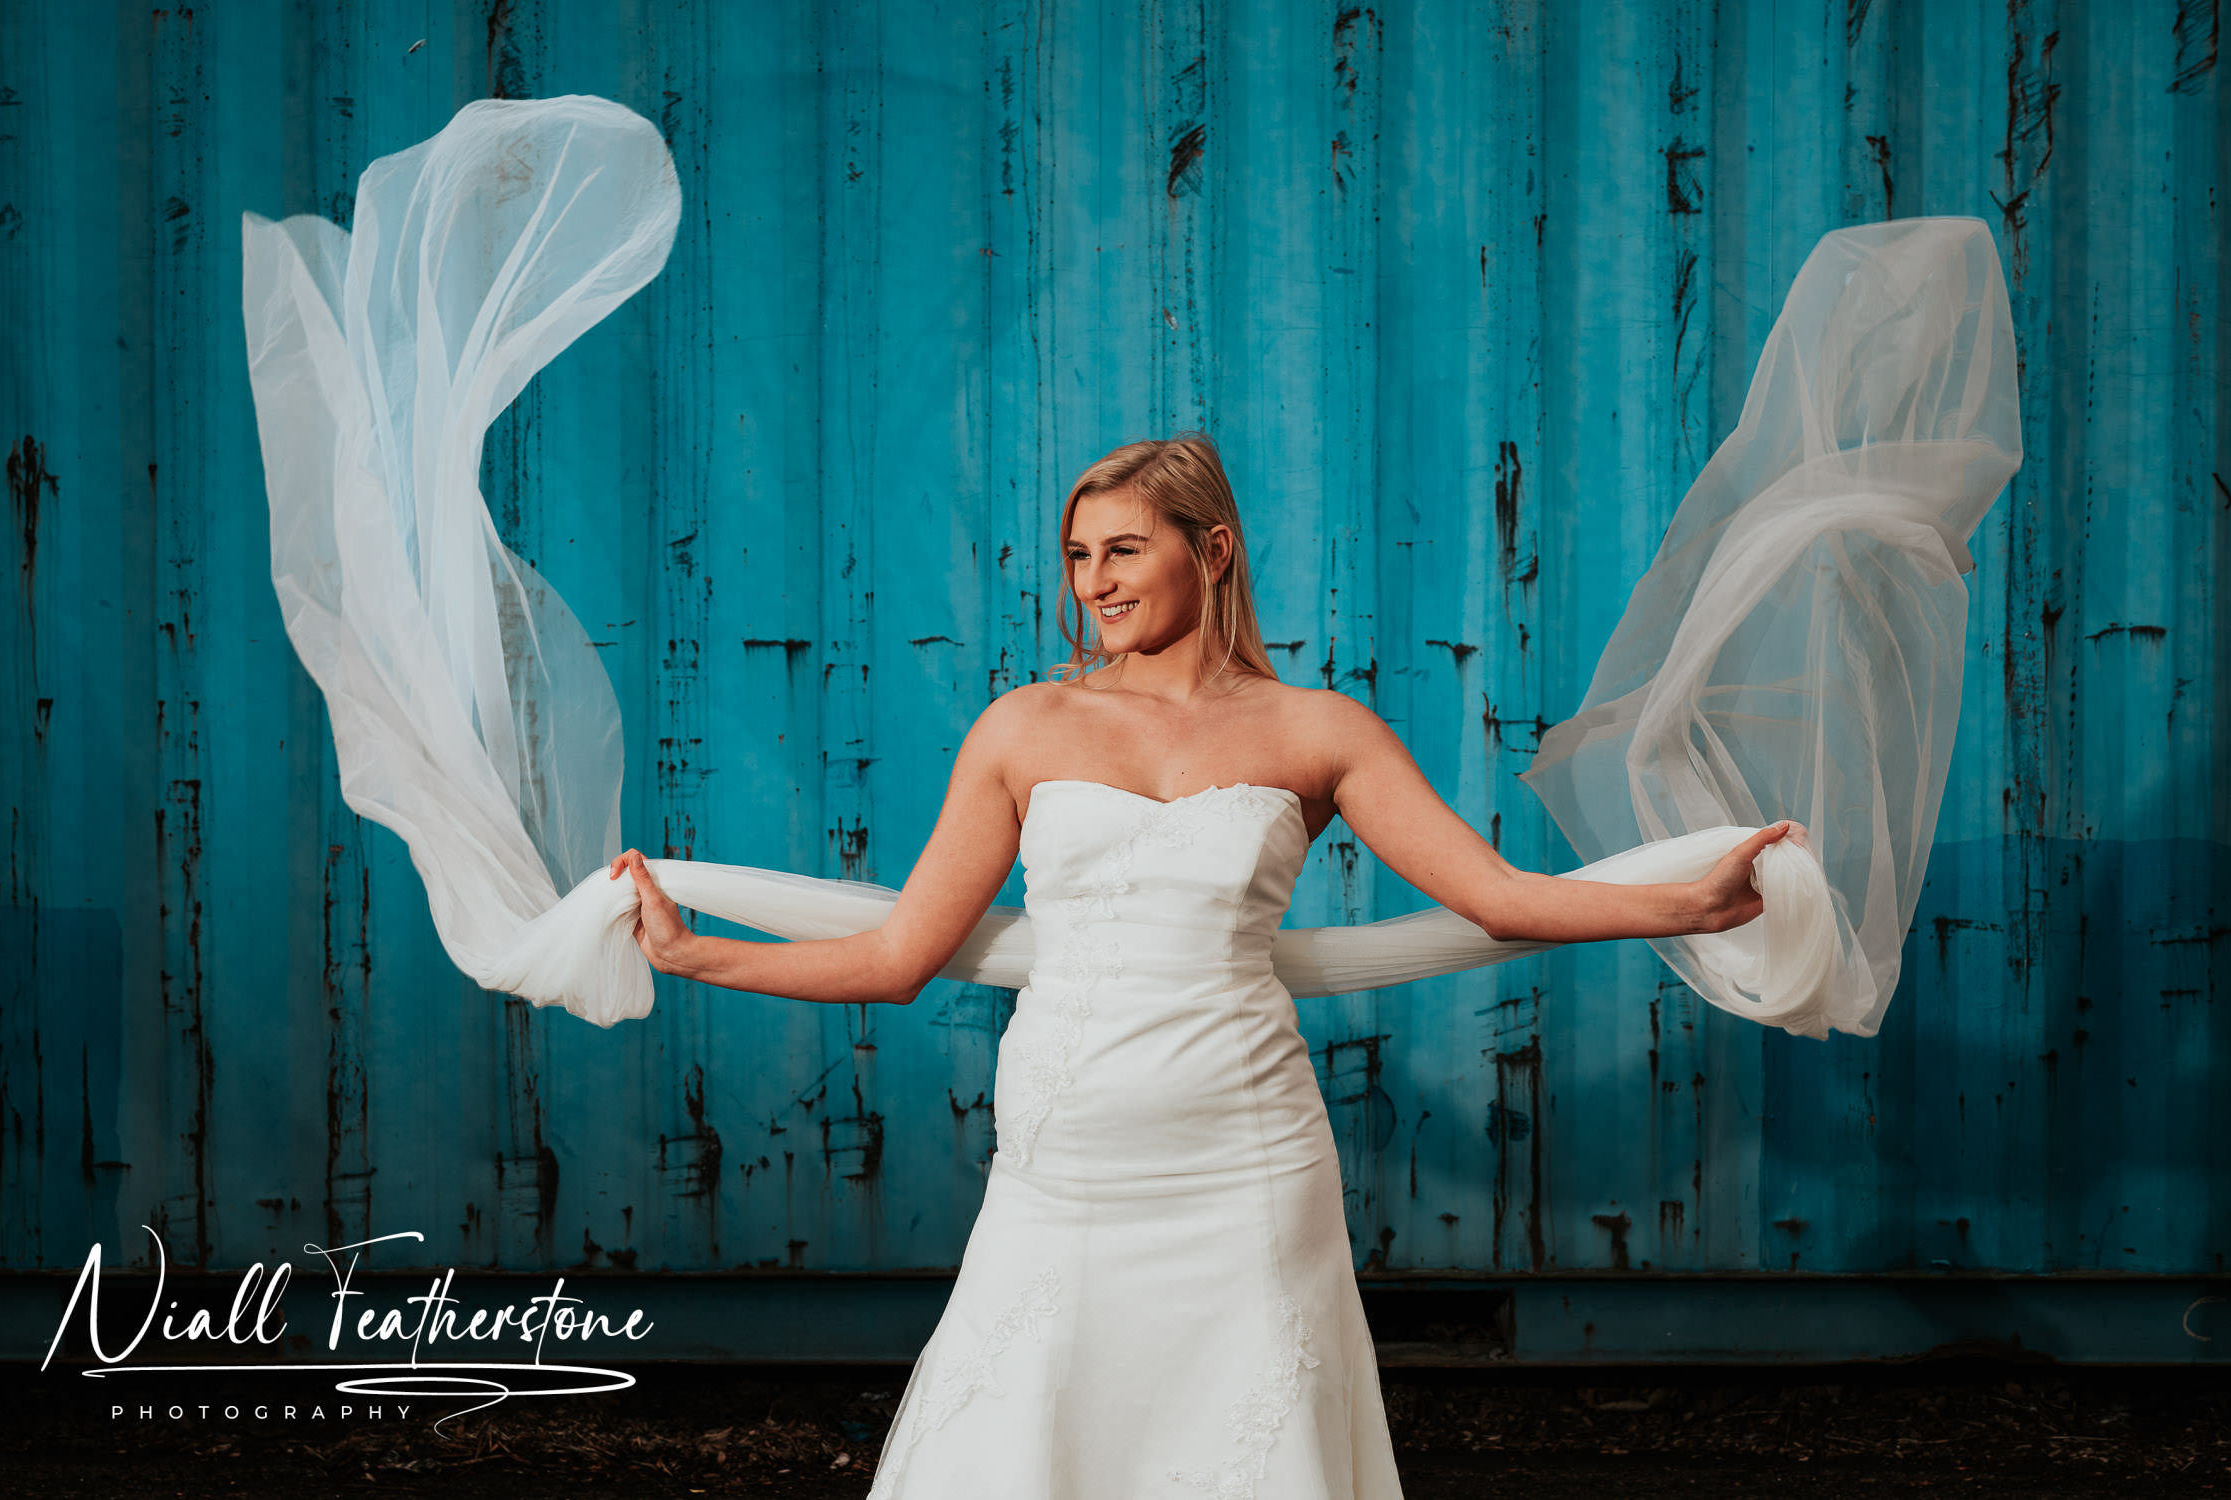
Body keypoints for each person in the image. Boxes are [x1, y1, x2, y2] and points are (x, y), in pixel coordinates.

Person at [609, 435, 1801, 1499]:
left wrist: (1688, 903)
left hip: (1247, 1157)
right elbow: (895, 957)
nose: (1094, 582)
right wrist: (690, 954)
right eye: (1077, 555)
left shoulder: (1319, 730)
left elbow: (1495, 899)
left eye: (1124, 549)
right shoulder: (1024, 727)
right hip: (1064, 1163)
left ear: (1212, 548)